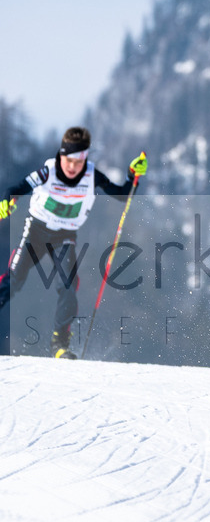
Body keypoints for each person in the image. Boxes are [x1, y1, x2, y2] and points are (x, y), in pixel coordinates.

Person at [0, 127, 147, 358]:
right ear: (61, 155)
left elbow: (122, 194)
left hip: (64, 236)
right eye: (68, 160)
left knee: (67, 286)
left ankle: (59, 345)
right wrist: (7, 201)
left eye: (77, 162)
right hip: (36, 232)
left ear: (85, 158)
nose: (71, 167)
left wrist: (132, 176)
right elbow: (16, 189)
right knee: (13, 281)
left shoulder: (91, 176)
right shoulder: (48, 171)